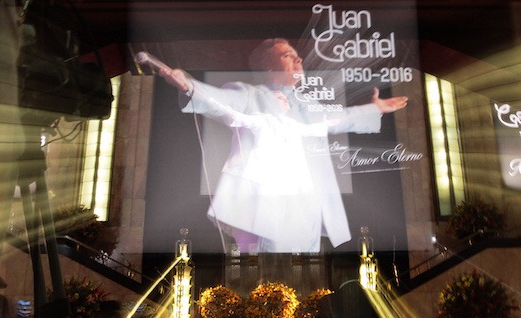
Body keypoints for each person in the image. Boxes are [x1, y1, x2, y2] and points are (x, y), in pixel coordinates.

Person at [159, 38, 409, 254]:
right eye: (288, 55)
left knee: (307, 272)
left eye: (299, 56)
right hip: (267, 201)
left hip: (307, 201)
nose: (299, 60)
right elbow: (222, 102)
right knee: (271, 274)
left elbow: (337, 119)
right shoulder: (249, 94)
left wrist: (374, 109)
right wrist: (189, 86)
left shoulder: (305, 104)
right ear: (268, 65)